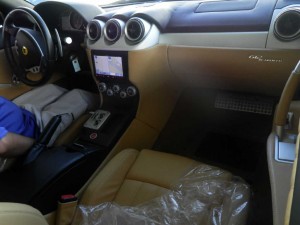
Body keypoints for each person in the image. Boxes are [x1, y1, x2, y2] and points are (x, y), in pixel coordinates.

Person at [0, 84, 100, 158]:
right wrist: (36, 144)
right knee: (81, 95)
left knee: (52, 88)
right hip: (32, 129)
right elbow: (4, 144)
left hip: (18, 112)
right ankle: (112, 105)